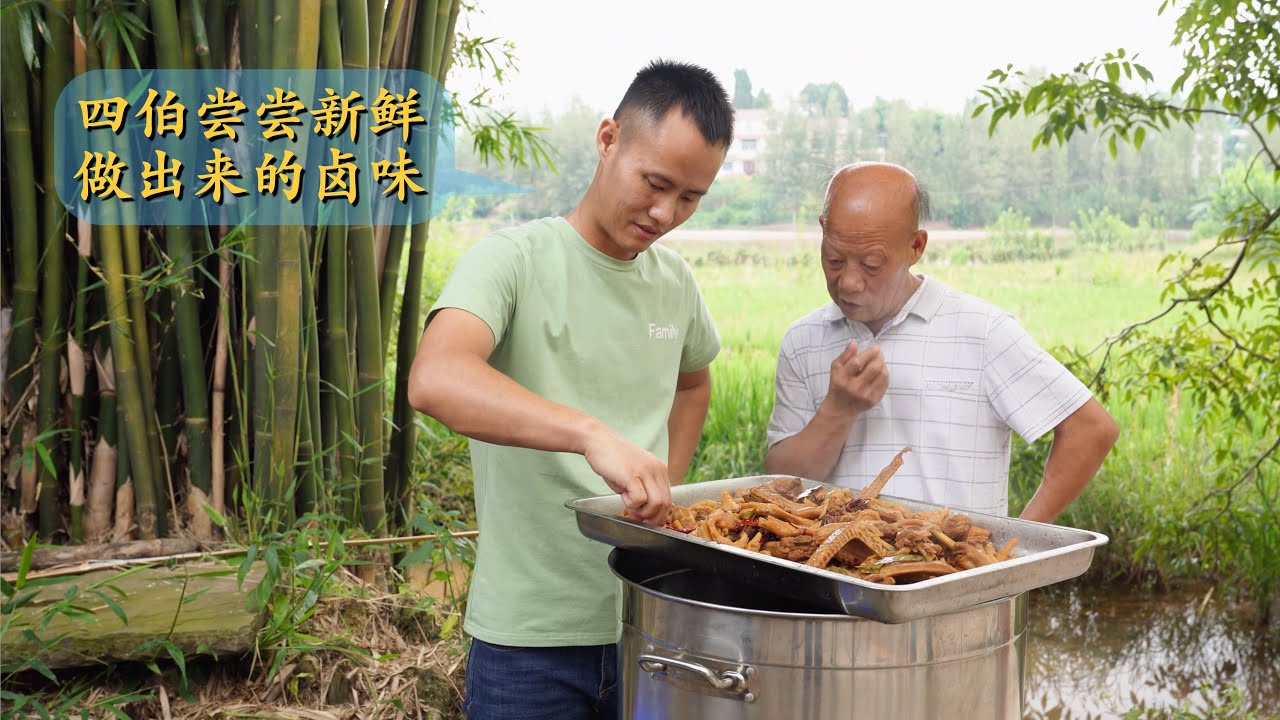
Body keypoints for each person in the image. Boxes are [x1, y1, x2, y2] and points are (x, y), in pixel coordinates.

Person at [407, 59, 733, 720]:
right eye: (656, 183)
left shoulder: (674, 283)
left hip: (650, 622)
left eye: (691, 197)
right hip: (528, 642)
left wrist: (663, 476)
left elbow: (693, 381)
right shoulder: (513, 260)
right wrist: (590, 433)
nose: (666, 212)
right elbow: (435, 378)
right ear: (608, 138)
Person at [764, 161, 1119, 522]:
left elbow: (1089, 430)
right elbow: (781, 483)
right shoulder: (804, 340)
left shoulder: (982, 332)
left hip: (958, 575)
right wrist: (838, 410)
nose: (850, 282)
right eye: (835, 259)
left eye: (871, 265)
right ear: (823, 231)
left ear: (916, 246)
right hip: (833, 571)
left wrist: (1015, 548)